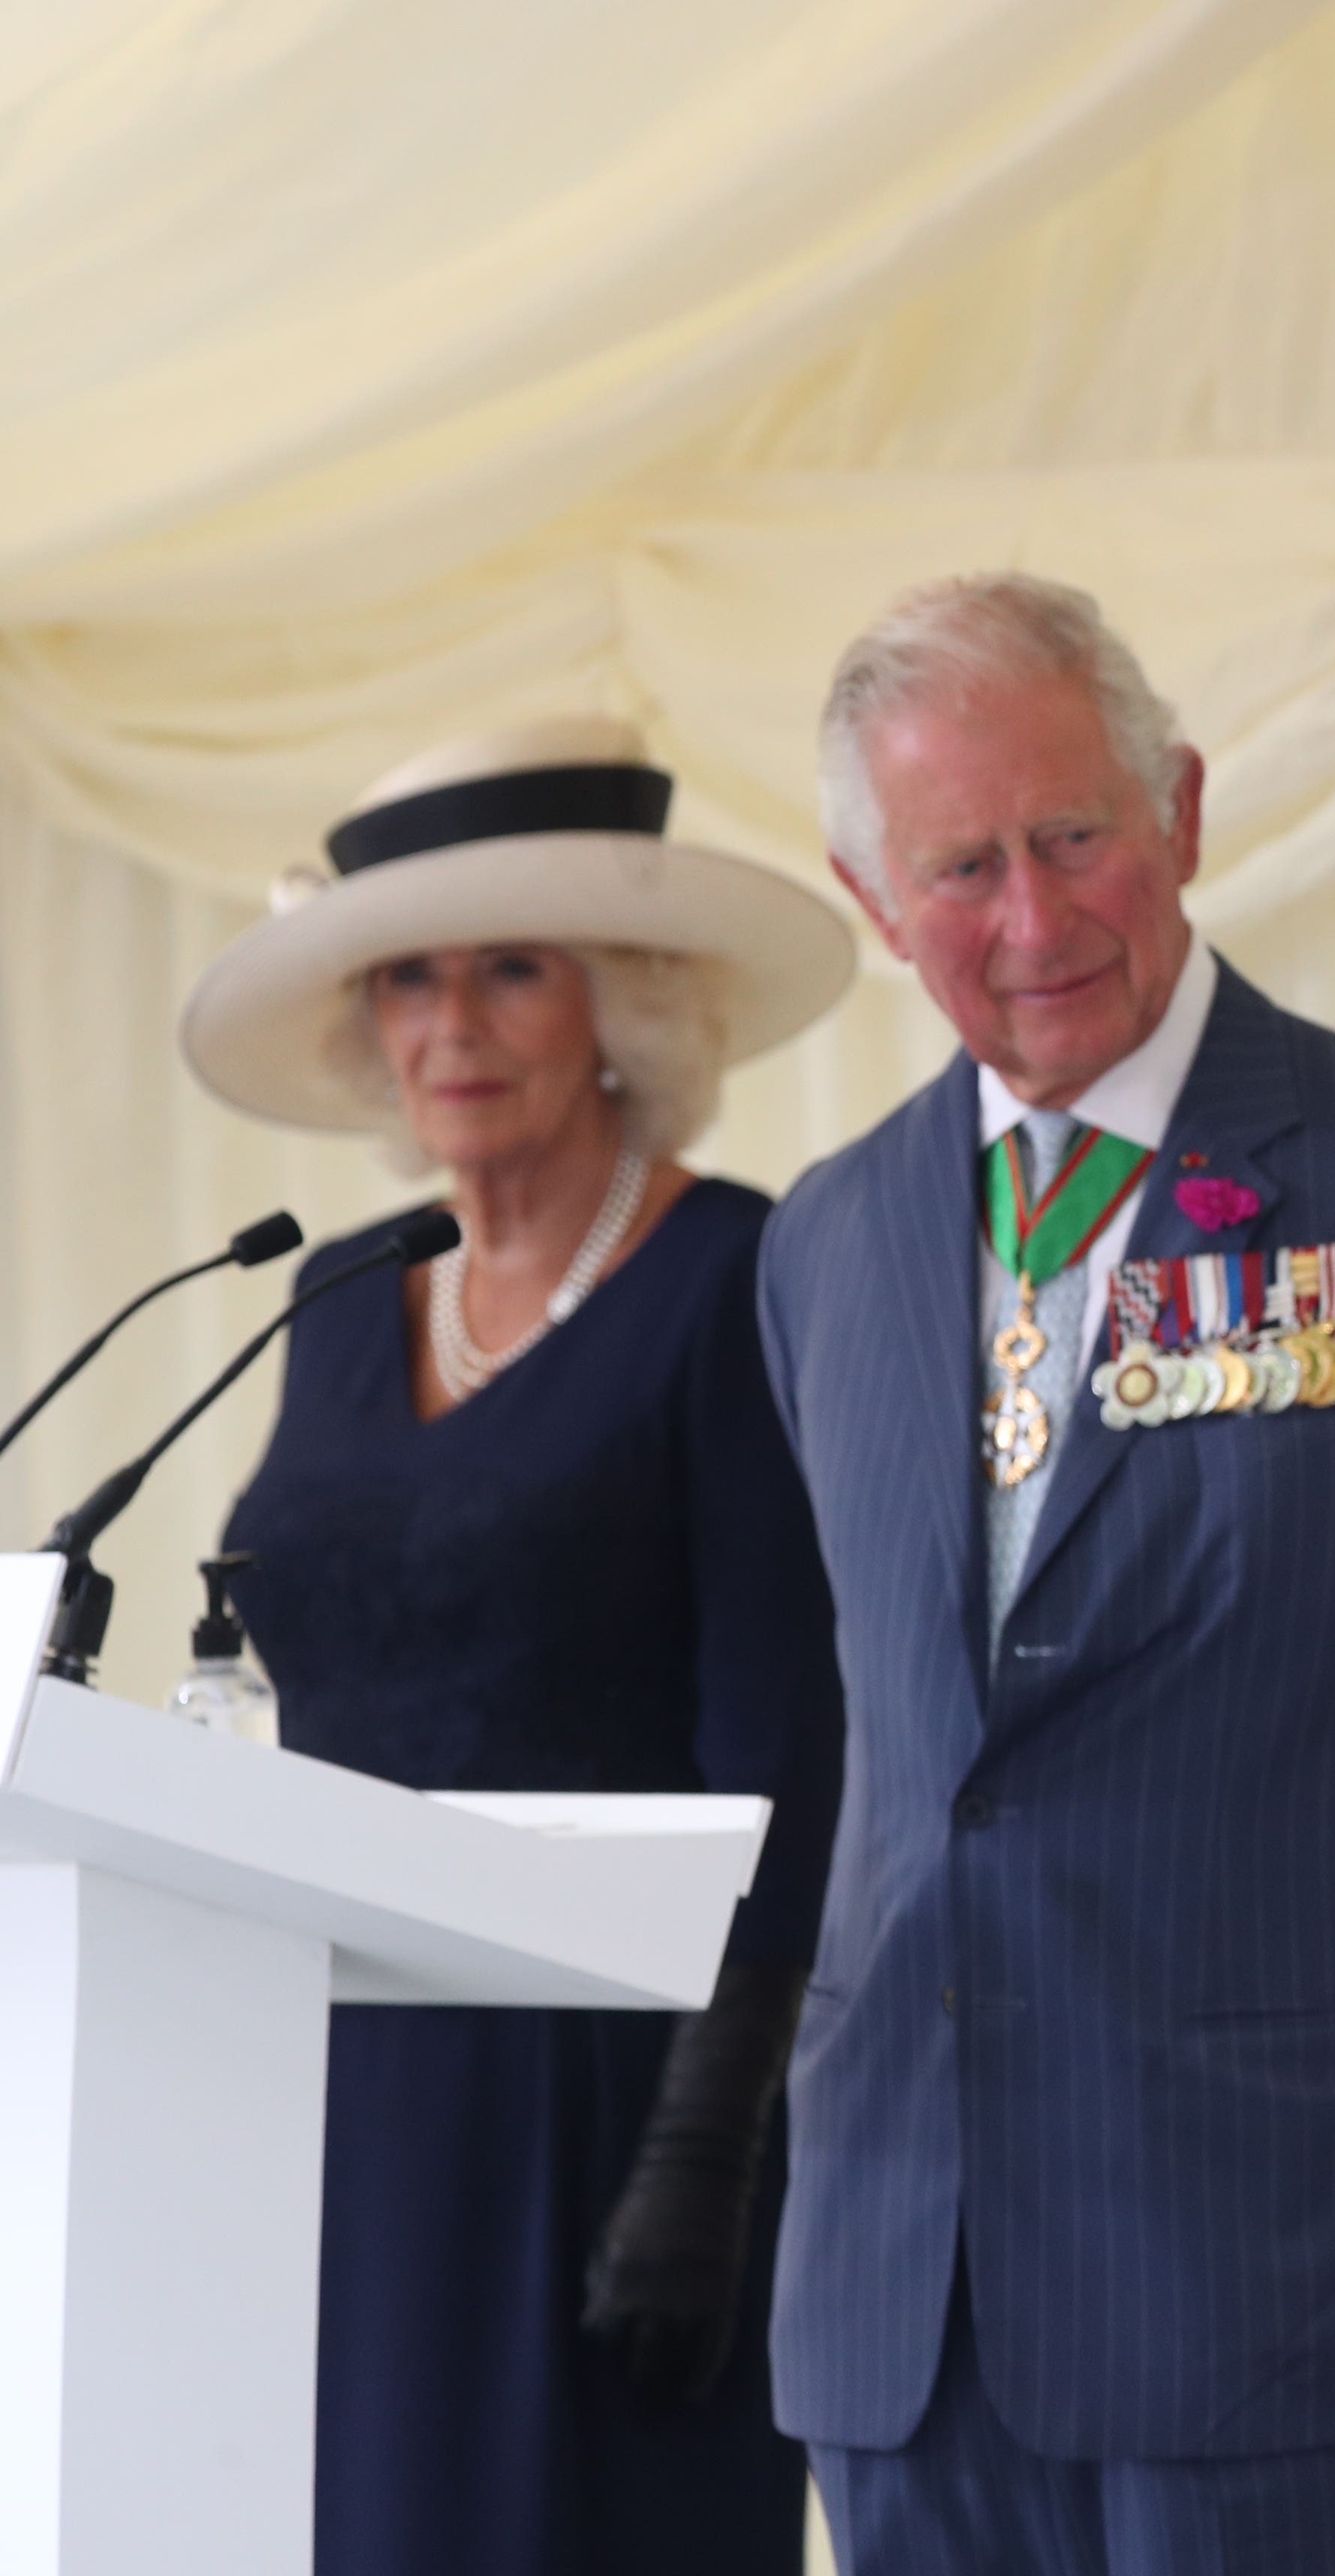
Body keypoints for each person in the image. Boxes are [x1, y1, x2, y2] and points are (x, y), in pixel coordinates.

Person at [758, 572, 1335, 2574]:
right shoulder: (824, 1245)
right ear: (863, 892)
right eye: (961, 867)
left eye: (1074, 835)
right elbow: (910, 1745)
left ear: (1178, 805)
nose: (1033, 919)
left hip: (1314, 2277)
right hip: (911, 2301)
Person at [179, 715, 857, 2576]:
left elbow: (792, 1748)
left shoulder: (737, 1276)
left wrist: (712, 2151)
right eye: (407, 977)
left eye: (507, 971)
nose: (449, 1026)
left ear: (626, 1005)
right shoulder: (331, 1301)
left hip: (620, 2111)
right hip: (341, 2089)